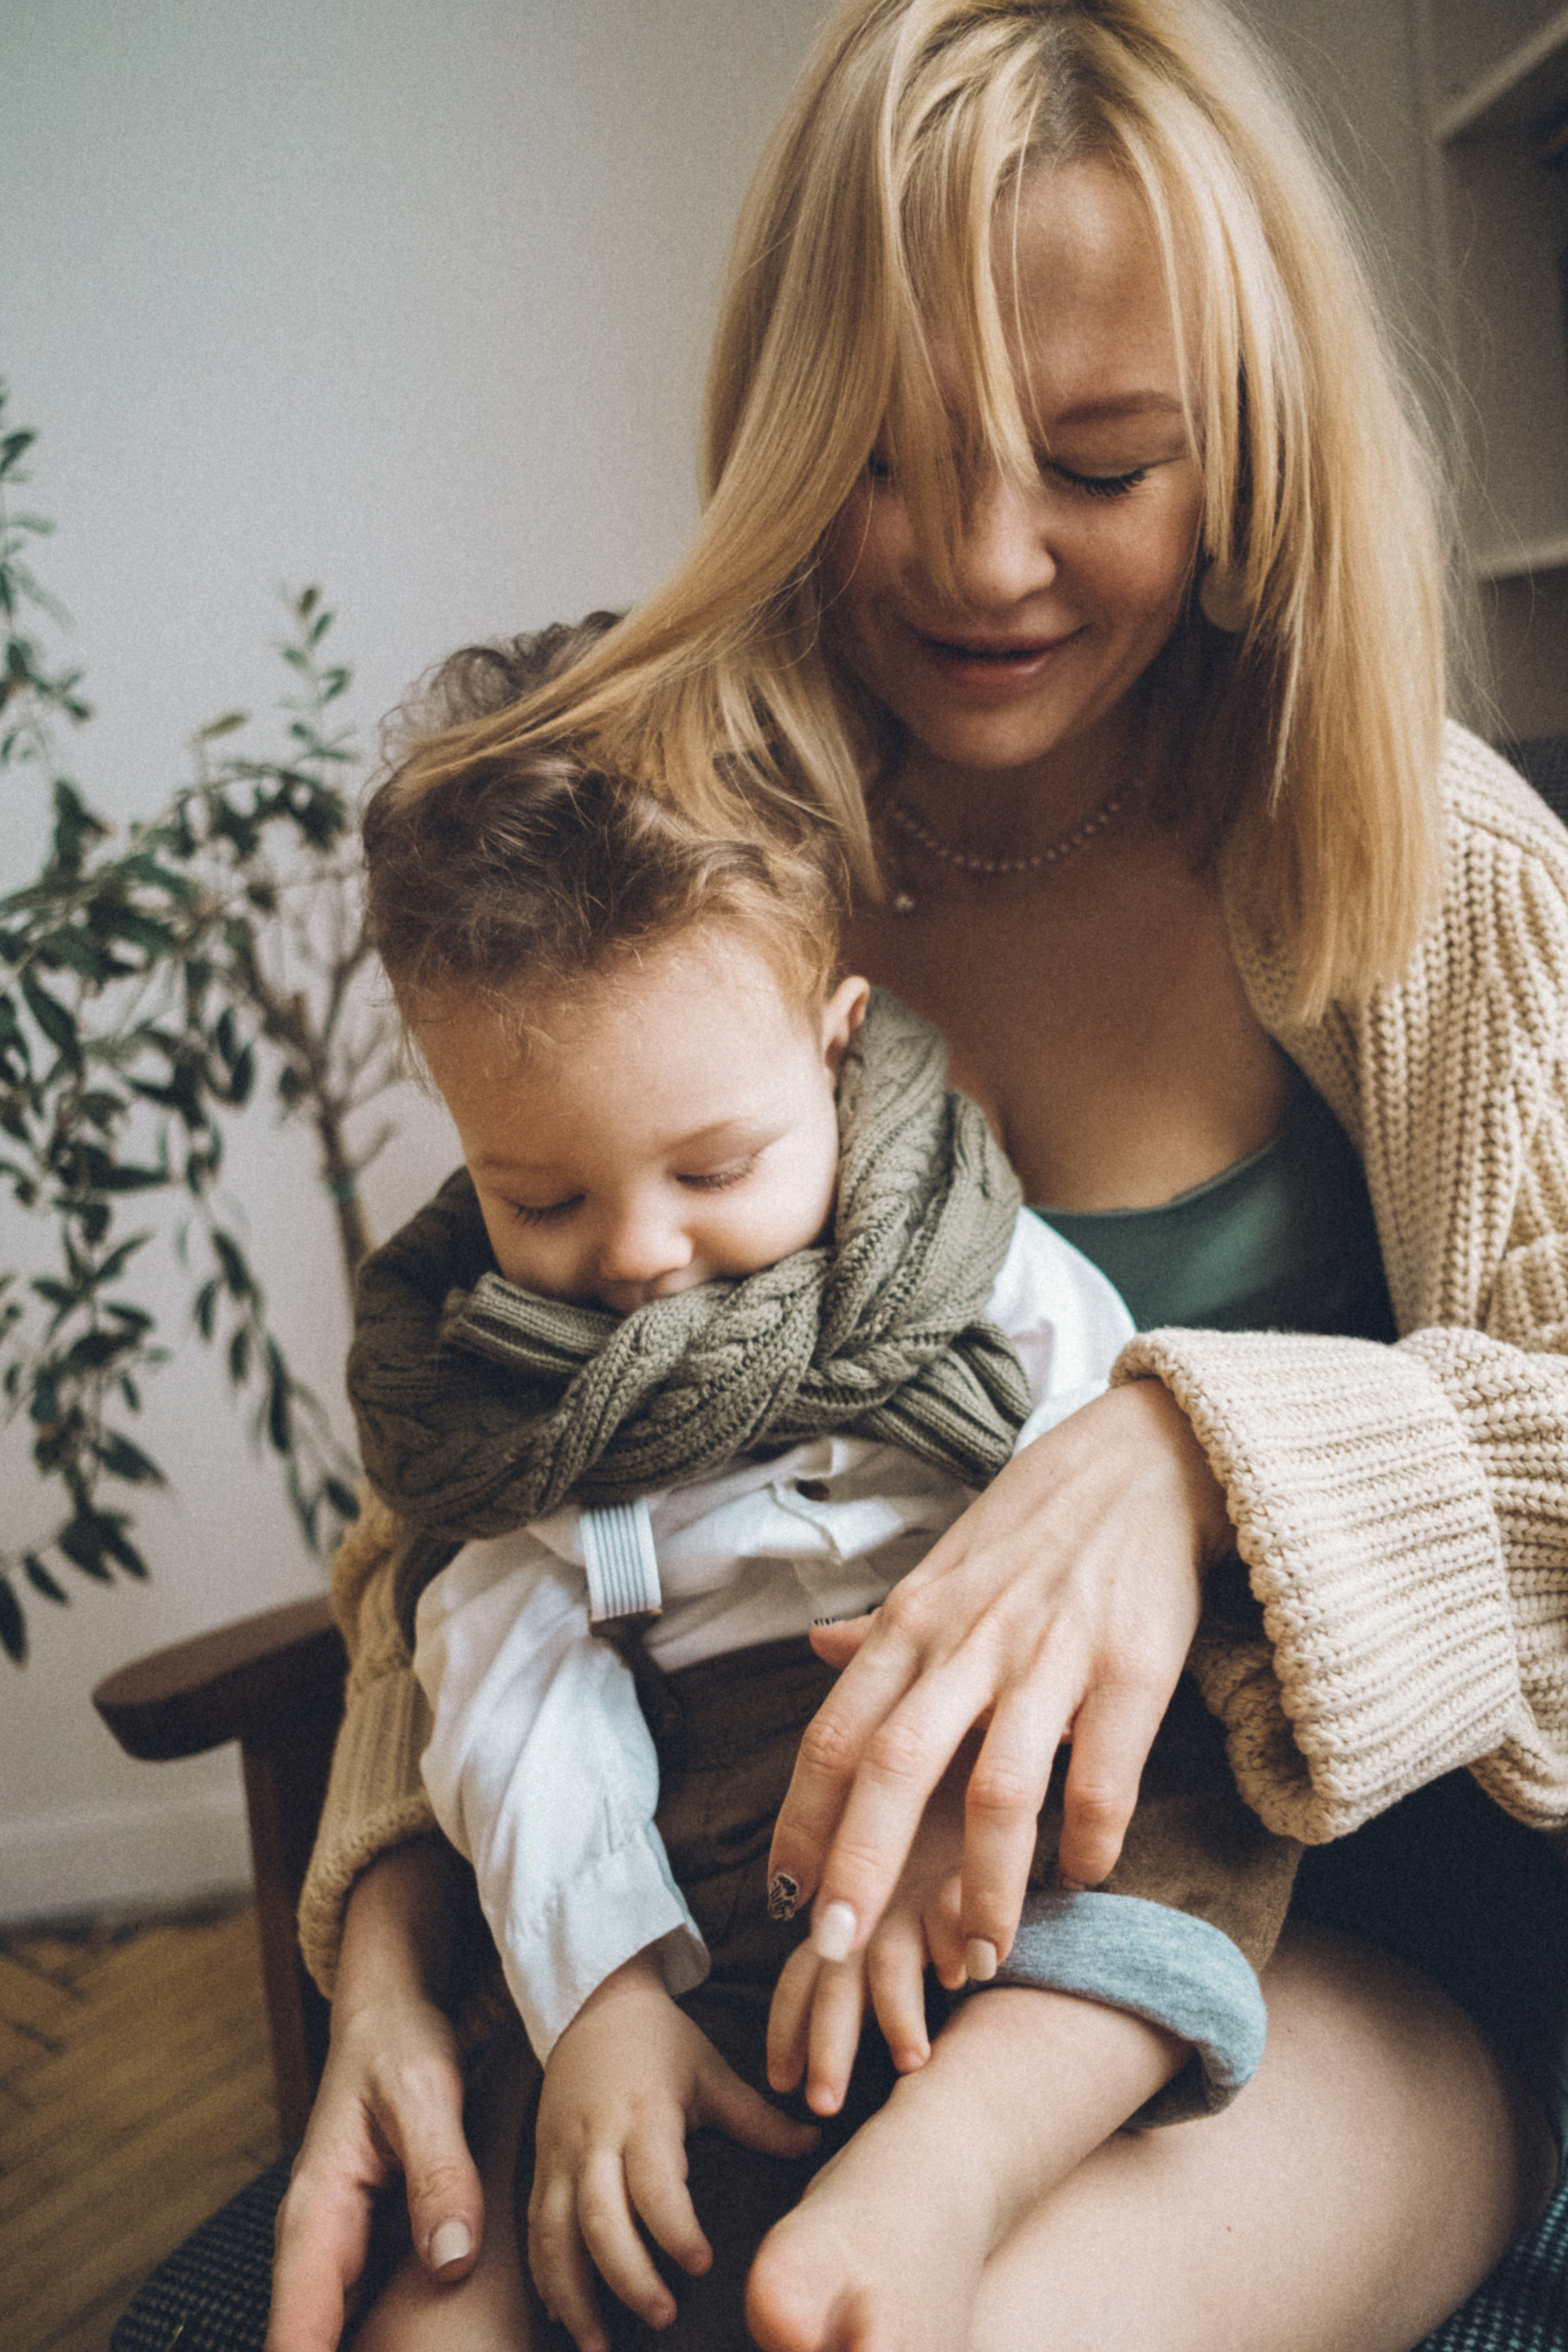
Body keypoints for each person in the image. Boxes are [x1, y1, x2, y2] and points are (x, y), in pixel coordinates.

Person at [268, 2, 1568, 2348]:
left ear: (1250, 453)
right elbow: (467, 1500)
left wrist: (1194, 1453)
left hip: (1295, 1936)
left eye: (1099, 463)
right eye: (892, 456)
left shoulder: (1420, 869)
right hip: (734, 1919)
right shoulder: (681, 865)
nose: (985, 562)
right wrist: (388, 1954)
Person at [339, 622, 1291, 2350]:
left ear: (838, 1046)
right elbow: (503, 1696)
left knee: (1176, 1844)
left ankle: (955, 2165)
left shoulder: (966, 1254)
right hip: (703, 1846)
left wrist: (989, 1751)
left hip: (1014, 1747)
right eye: (537, 1196)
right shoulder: (510, 1391)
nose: (637, 1257)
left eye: (716, 1166)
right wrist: (601, 2000)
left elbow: (1114, 1495)